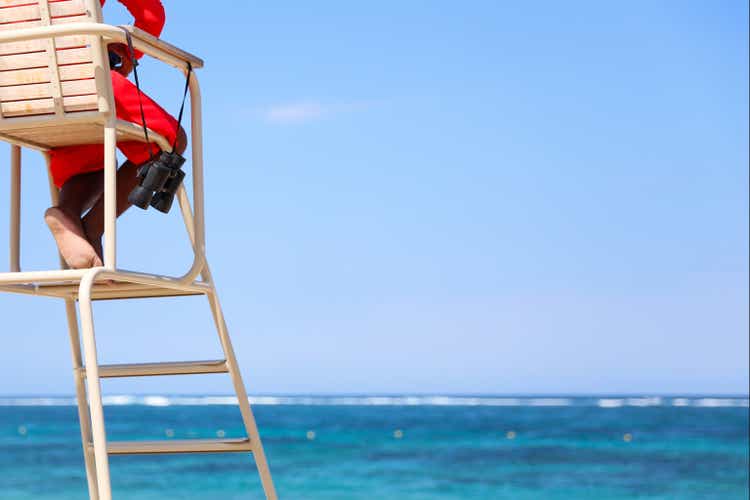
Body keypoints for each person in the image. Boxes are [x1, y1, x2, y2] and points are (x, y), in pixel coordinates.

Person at [44, 0, 187, 269]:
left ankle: (69, 217)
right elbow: (151, 15)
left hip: (22, 94)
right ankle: (92, 229)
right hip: (83, 80)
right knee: (173, 141)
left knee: (93, 159)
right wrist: (122, 54)